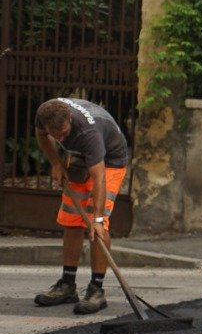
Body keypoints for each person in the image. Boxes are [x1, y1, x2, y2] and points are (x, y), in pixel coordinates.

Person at [31, 98, 130, 315]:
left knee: (98, 225)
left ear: (70, 119)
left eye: (63, 133)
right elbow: (41, 135)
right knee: (71, 220)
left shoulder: (88, 133)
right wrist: (56, 163)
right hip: (78, 156)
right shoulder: (44, 113)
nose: (60, 139)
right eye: (56, 135)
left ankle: (97, 289)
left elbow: (99, 177)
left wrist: (97, 219)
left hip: (110, 161)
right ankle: (67, 285)